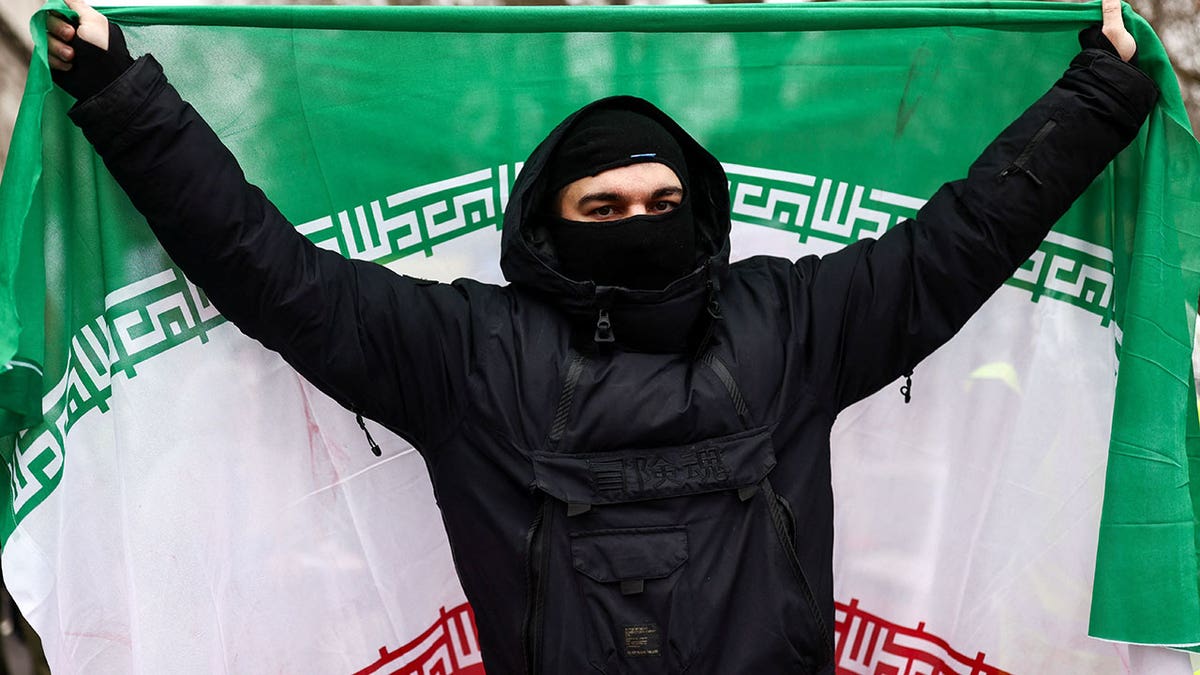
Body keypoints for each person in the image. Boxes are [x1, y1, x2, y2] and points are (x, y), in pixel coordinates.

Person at [44, 0, 1157, 672]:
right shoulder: (463, 352)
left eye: (661, 204)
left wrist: (1102, 95)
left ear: (703, 211)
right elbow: (266, 269)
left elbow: (961, 240)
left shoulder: (792, 322)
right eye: (604, 210)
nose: (638, 224)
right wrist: (119, 90)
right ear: (548, 227)